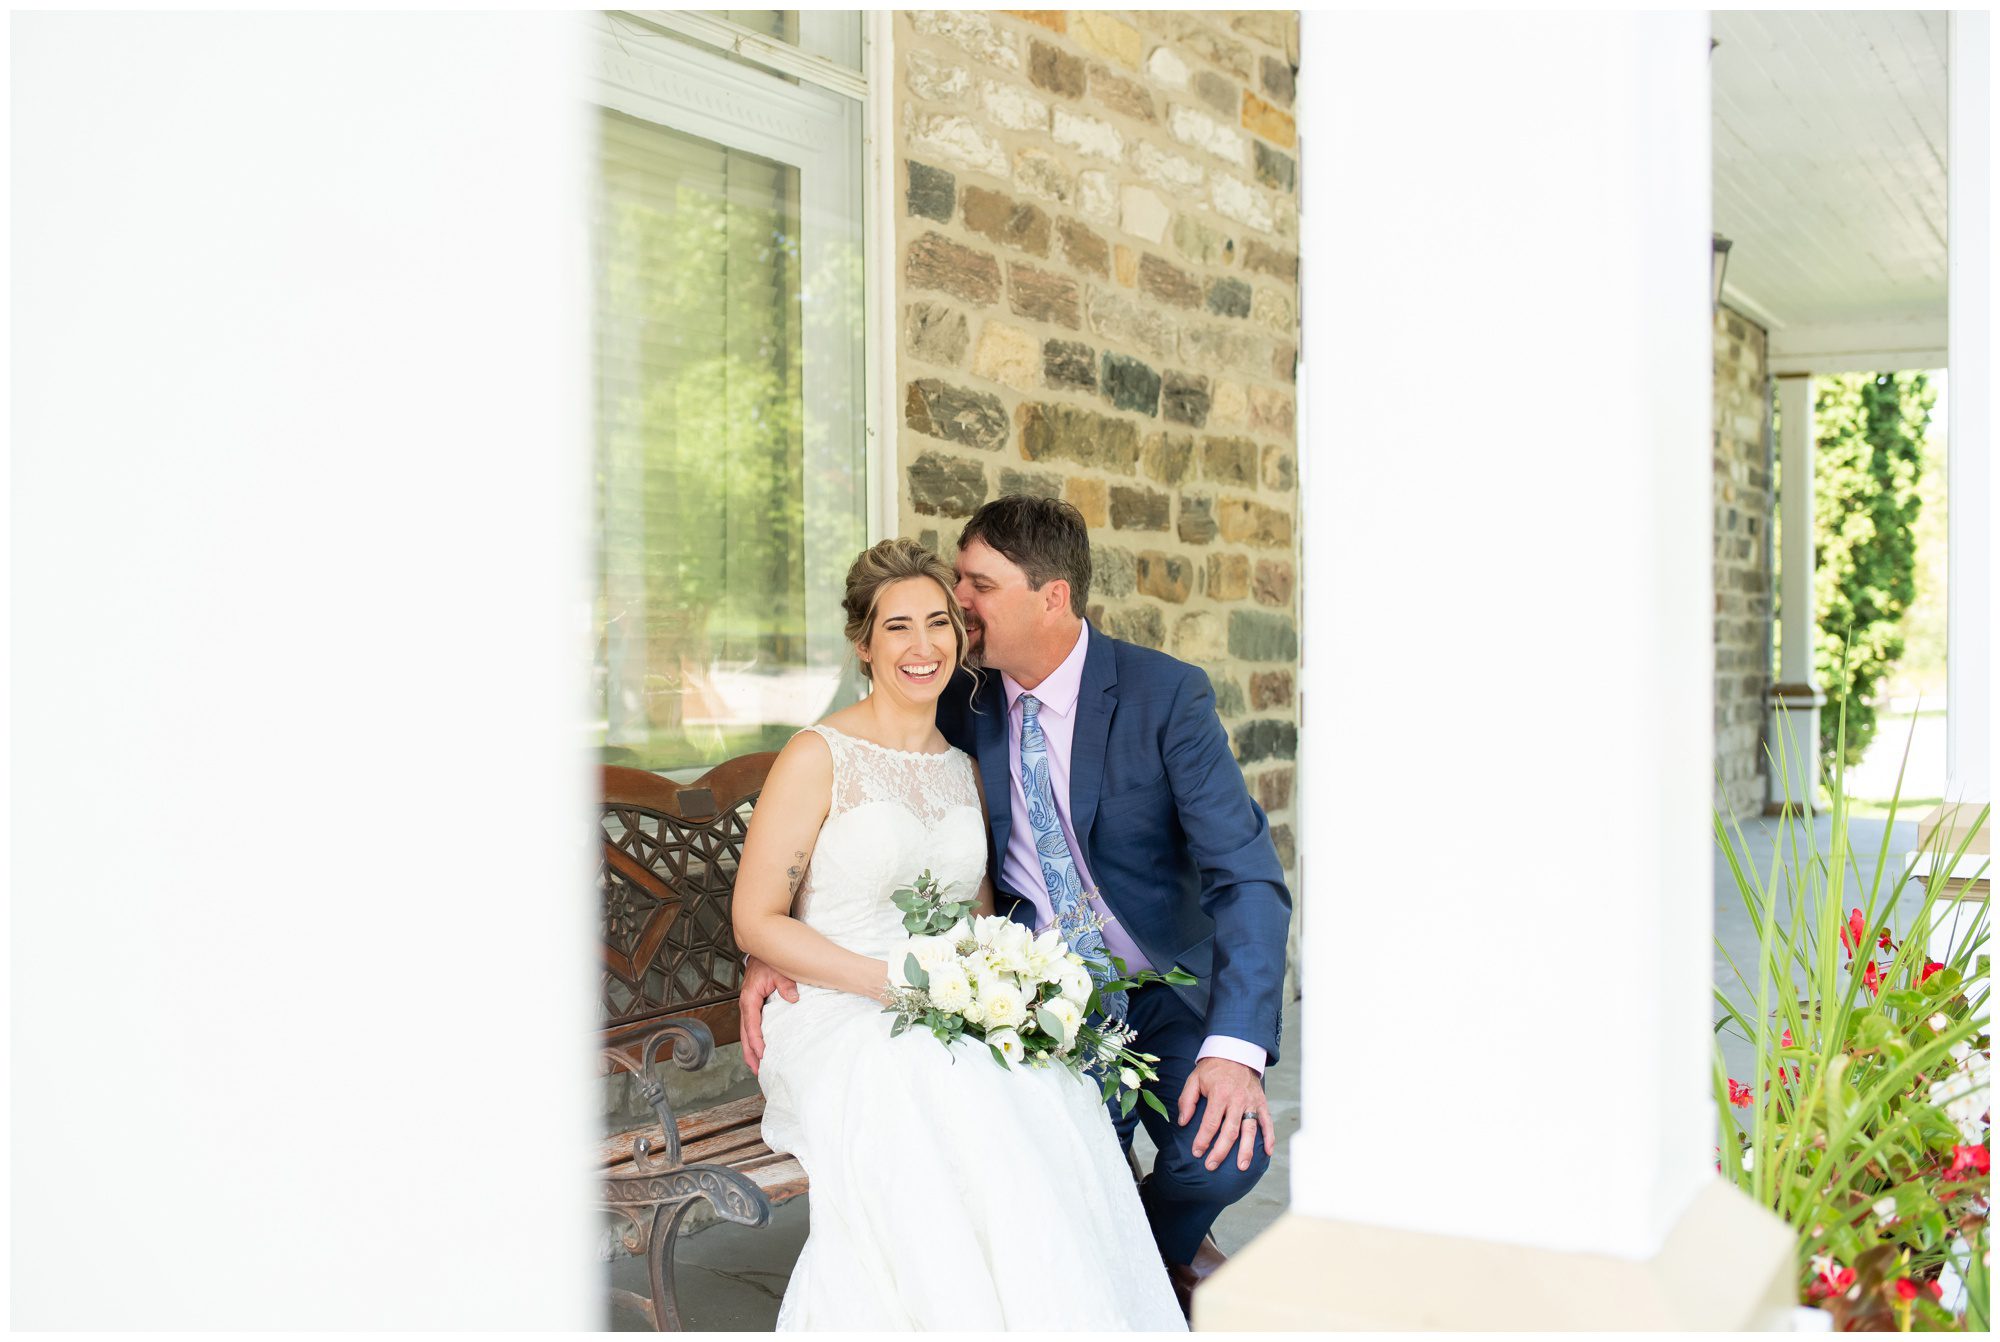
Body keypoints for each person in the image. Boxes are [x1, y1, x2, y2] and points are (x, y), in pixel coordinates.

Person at [743, 496, 1292, 1319]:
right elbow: (816, 857)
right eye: (924, 610)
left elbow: (1246, 876)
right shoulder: (959, 698)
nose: (951, 618)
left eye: (972, 590)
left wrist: (1237, 1048)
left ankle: (1153, 1247)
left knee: (1219, 1156)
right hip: (1017, 986)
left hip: (1154, 983)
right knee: (1037, 1148)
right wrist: (774, 946)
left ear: (1053, 597)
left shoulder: (1163, 697)